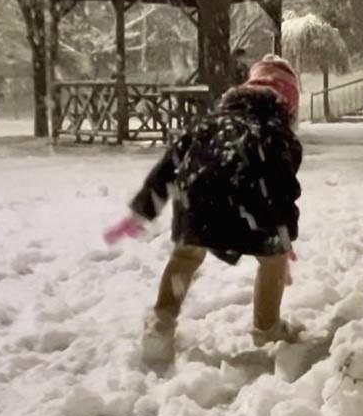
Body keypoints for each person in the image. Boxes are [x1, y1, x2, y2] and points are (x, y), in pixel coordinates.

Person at [104, 54, 306, 367]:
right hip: (252, 206)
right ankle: (267, 327)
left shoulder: (208, 124)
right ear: (289, 105)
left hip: (197, 203)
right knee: (272, 261)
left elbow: (168, 167)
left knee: (185, 258)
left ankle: (161, 323)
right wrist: (284, 240)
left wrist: (143, 210)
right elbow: (283, 189)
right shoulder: (277, 133)